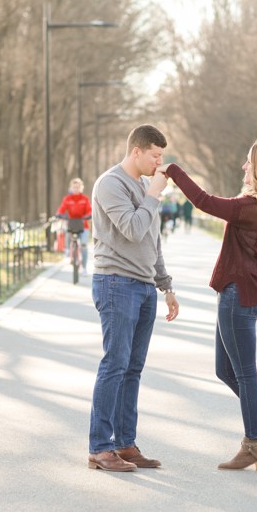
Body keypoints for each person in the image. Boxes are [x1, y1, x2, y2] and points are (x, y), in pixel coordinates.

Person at [160, 140, 257, 472]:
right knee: (225, 370)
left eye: (249, 162)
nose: (244, 167)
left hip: (239, 295)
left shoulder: (251, 207)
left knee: (244, 372)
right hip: (248, 294)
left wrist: (173, 171)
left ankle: (253, 444)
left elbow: (204, 201)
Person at [87, 124, 180, 473]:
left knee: (133, 369)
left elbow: (152, 240)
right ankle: (100, 447)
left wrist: (166, 286)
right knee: (115, 363)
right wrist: (154, 194)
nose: (160, 163)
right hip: (115, 283)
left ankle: (125, 443)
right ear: (137, 151)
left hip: (143, 286)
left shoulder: (143, 186)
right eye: (155, 155)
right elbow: (132, 228)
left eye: (162, 157)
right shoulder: (110, 184)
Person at [56, 177, 92, 271]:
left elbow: (89, 210)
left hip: (83, 224)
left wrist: (89, 215)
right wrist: (59, 214)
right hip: (71, 223)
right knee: (68, 234)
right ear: (71, 188)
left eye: (78, 187)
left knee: (84, 245)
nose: (76, 188)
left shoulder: (85, 199)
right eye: (74, 187)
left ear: (81, 188)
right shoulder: (67, 199)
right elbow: (62, 208)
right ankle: (68, 250)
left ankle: (84, 267)